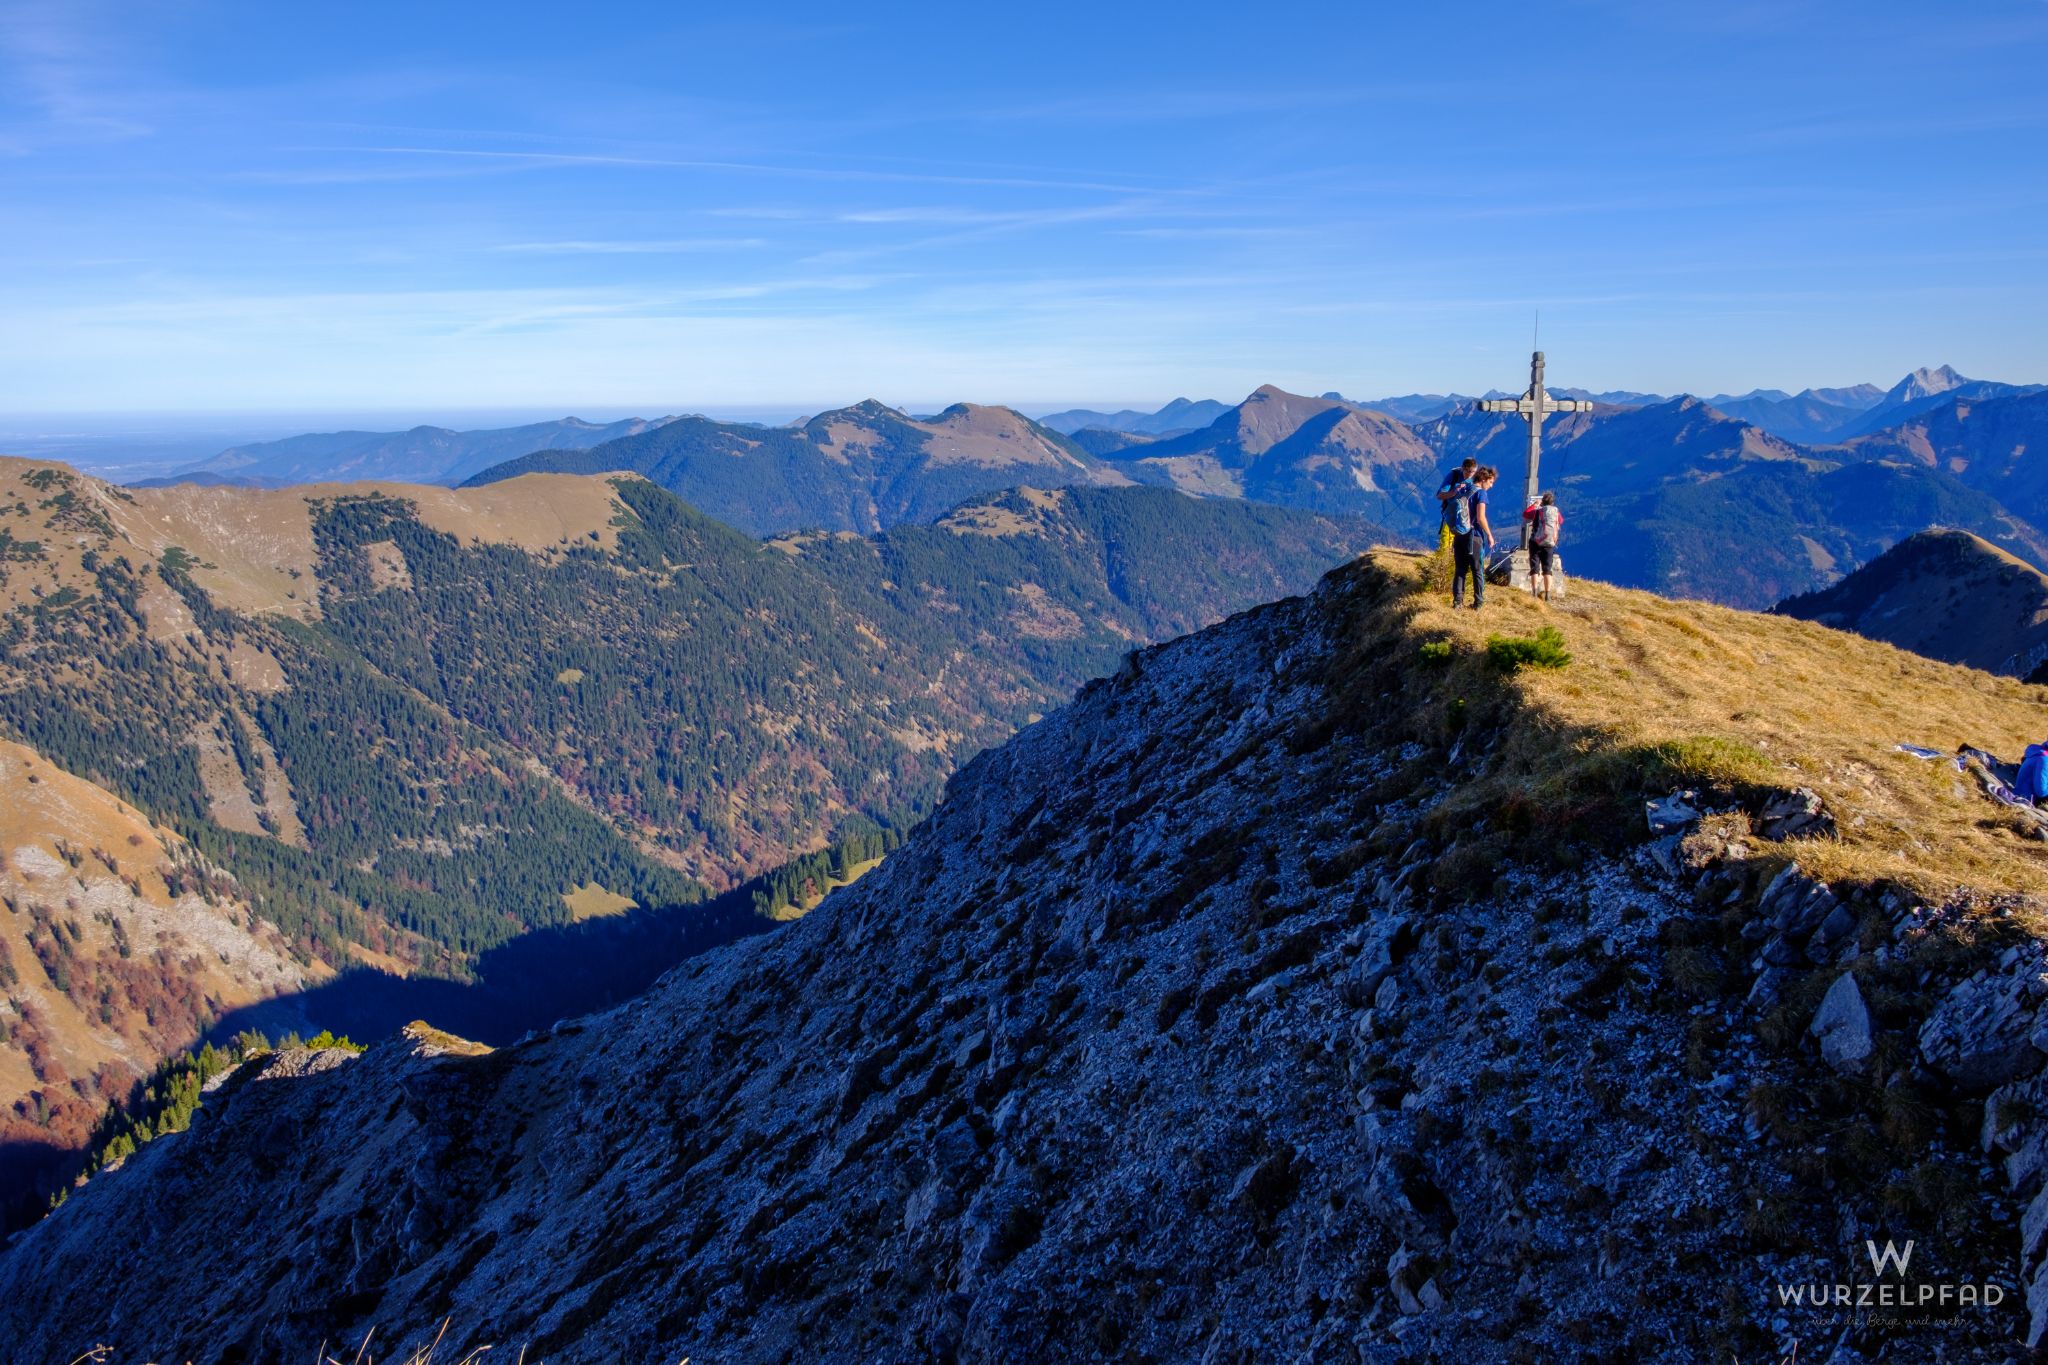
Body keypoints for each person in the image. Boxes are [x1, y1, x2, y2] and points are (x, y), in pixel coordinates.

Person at [1452, 466, 1497, 609]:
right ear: (1483, 479)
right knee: (1477, 570)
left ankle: (1457, 602)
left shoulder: (1465, 490)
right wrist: (1489, 534)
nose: (1491, 485)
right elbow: (1480, 517)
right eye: (1490, 482)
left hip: (1459, 534)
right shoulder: (1481, 493)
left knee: (1460, 570)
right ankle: (1478, 603)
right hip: (1474, 536)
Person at [1523, 490, 1564, 600]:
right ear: (1552, 502)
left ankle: (1534, 593)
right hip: (1549, 543)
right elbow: (1561, 521)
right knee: (1547, 569)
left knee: (1535, 568)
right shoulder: (1556, 512)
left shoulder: (1537, 512)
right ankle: (1547, 595)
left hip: (1535, 542)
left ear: (1542, 502)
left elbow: (1526, 514)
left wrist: (1535, 505)